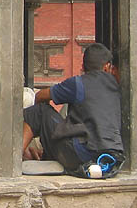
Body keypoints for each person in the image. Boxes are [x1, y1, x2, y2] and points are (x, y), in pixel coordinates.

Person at [21, 43, 124, 174]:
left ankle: (13, 161)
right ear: (107, 67)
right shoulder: (118, 87)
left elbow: (40, 96)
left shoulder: (78, 83)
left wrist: (44, 117)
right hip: (112, 157)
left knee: (38, 112)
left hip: (82, 155)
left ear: (82, 67)